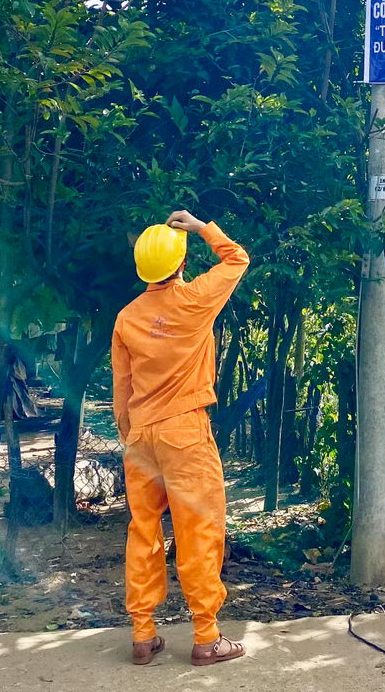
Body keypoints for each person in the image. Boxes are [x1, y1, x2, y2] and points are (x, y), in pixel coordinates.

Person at [112, 209, 249, 667]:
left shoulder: (126, 317)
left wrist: (129, 435)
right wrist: (202, 226)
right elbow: (236, 260)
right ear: (180, 262)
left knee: (143, 531)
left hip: (141, 435)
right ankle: (207, 637)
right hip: (185, 432)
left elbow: (122, 387)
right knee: (198, 531)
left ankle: (143, 634)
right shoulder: (194, 299)